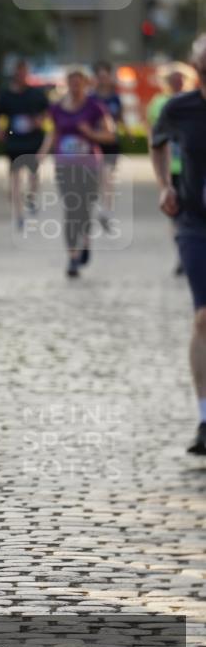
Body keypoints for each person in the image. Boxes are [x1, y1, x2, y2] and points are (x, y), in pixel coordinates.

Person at [150, 34, 206, 456]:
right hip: (194, 222)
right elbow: (157, 143)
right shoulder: (179, 108)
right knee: (203, 319)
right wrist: (165, 185)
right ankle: (205, 419)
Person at [37, 66, 115, 277]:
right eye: (71, 82)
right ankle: (72, 257)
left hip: (89, 165)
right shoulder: (57, 108)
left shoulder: (95, 107)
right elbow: (52, 133)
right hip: (64, 164)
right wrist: (42, 154)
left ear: (86, 83)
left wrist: (90, 133)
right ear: (67, 83)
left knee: (85, 208)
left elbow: (110, 135)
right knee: (72, 208)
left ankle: (85, 242)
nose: (75, 86)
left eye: (79, 82)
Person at [146, 62, 196, 276]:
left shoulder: (196, 102)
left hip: (192, 165)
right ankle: (182, 251)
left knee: (192, 210)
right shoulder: (158, 104)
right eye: (173, 79)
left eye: (181, 78)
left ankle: (189, 250)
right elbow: (153, 136)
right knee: (175, 212)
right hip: (172, 165)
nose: (178, 82)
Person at [0, 58, 48, 229]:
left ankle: (31, 197)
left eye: (24, 71)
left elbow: (47, 112)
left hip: (33, 139)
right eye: (19, 72)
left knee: (33, 175)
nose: (21, 75)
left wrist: (39, 121)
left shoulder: (36, 94)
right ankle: (18, 215)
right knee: (15, 178)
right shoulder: (6, 95)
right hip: (14, 140)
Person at [91, 60, 125, 232]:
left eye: (106, 76)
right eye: (100, 76)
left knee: (108, 178)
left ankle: (107, 212)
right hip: (94, 142)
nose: (103, 79)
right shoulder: (90, 98)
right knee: (96, 179)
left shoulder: (115, 97)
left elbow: (119, 118)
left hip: (111, 142)